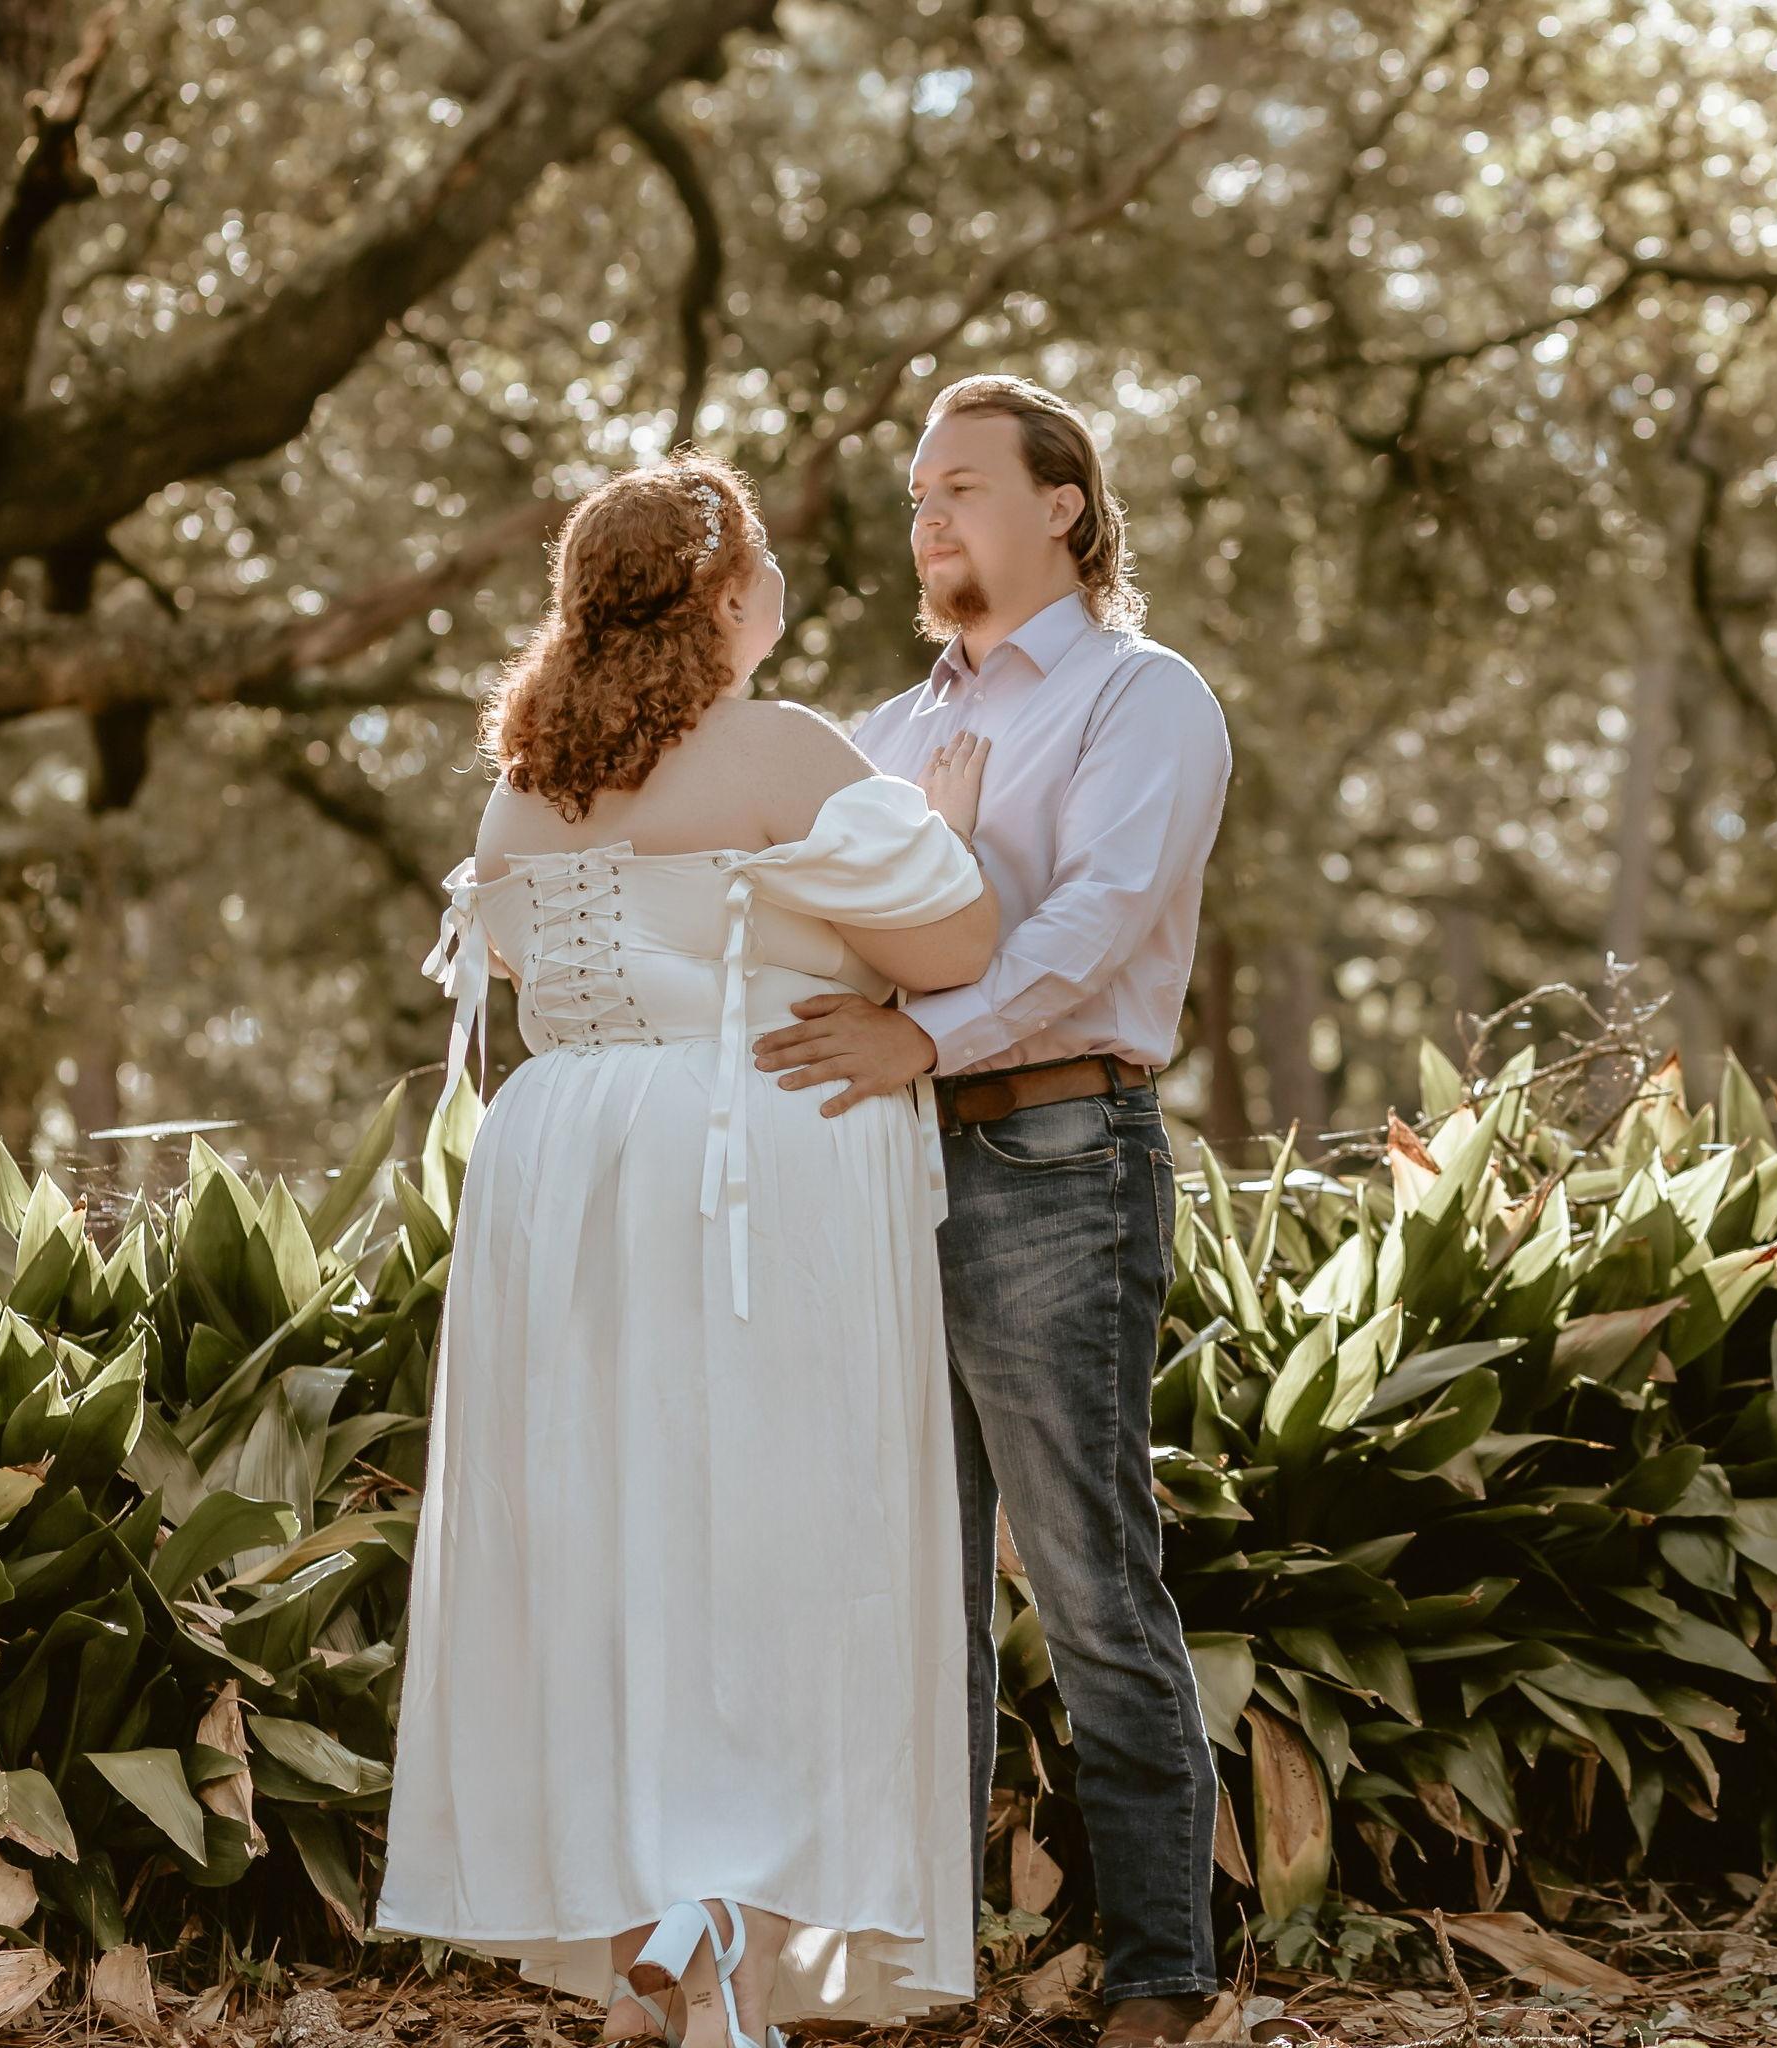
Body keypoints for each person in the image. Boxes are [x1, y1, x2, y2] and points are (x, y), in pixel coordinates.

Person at [374, 454, 1002, 2048]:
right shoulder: (780, 746)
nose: (780, 578)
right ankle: (734, 1904)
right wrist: (945, 831)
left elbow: (524, 972)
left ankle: (675, 1943)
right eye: (765, 556)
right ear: (725, 595)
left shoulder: (525, 781)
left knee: (612, 1546)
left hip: (563, 1171)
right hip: (749, 1159)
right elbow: (956, 942)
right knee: (790, 1535)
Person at [754, 376, 1309, 2048]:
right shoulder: (879, 732)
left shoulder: (1147, 699)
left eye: (965, 487)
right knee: (909, 1594)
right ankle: (919, 1966)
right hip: (882, 1165)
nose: (929, 518)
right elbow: (824, 938)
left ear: (1064, 504)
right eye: (918, 495)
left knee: (1088, 1579)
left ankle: (1159, 1973)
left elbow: (1096, 923)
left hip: (1061, 1157)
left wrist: (928, 1026)